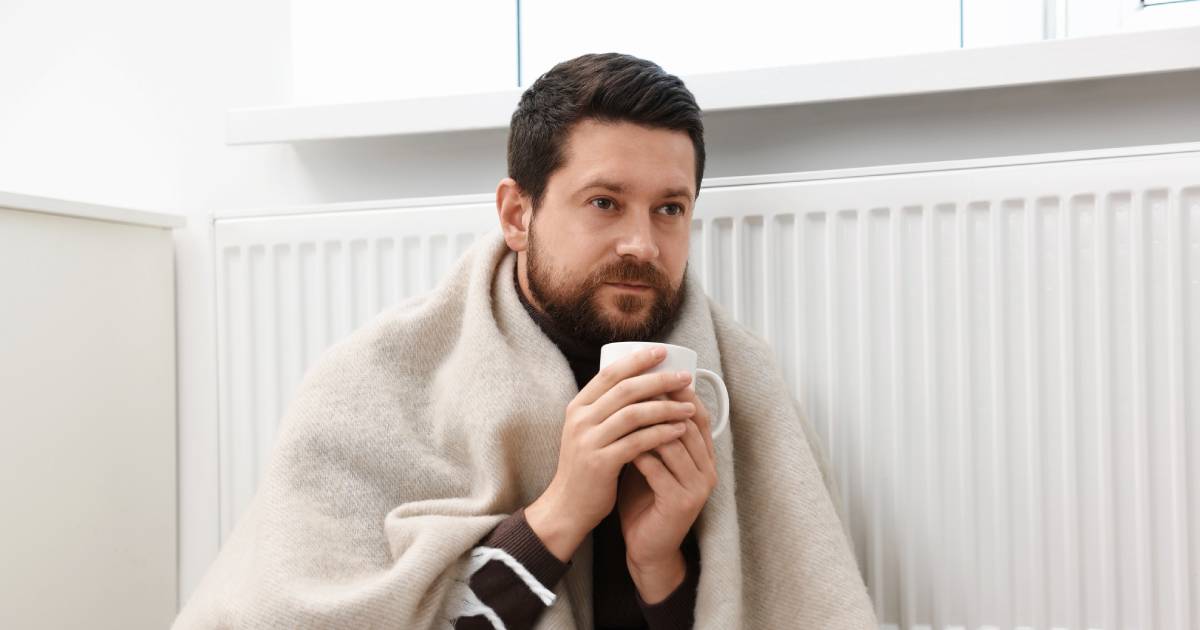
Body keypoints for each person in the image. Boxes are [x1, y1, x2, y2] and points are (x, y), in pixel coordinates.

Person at [172, 52, 877, 630]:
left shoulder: (739, 386)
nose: (642, 243)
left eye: (670, 209)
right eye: (605, 203)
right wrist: (562, 513)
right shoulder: (376, 382)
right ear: (517, 213)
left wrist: (658, 564)